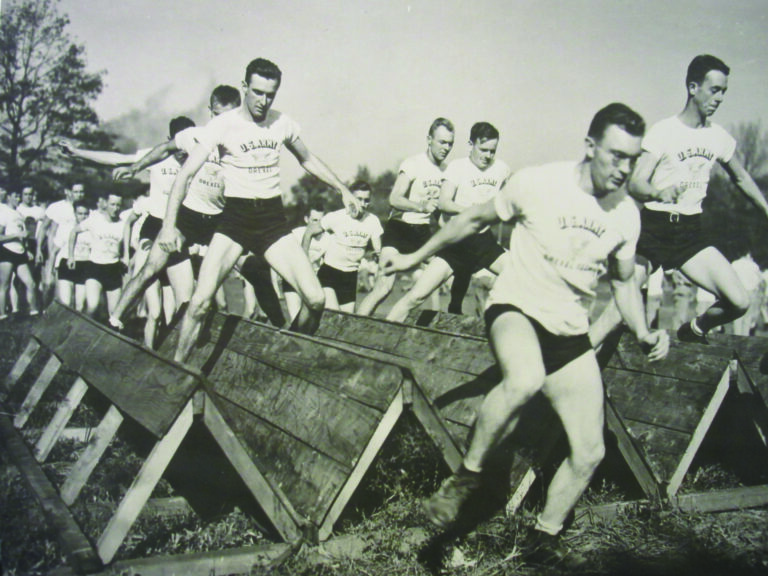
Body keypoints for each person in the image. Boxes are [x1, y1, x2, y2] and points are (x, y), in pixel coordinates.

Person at [382, 103, 669, 565]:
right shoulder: (539, 182)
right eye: (616, 155)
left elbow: (622, 282)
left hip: (567, 332)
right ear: (590, 146)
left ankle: (544, 538)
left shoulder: (626, 215)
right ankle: (464, 479)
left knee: (590, 450)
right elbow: (468, 221)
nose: (624, 169)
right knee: (524, 377)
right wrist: (413, 260)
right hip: (515, 308)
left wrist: (643, 330)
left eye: (633, 159)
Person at [156, 58, 361, 363]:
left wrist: (342, 189)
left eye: (270, 94)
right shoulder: (223, 125)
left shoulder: (282, 123)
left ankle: (286, 358)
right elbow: (185, 174)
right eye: (257, 92)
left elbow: (307, 159)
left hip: (271, 221)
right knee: (200, 302)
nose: (263, 101)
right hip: (235, 220)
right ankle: (172, 373)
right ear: (244, 87)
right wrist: (168, 226)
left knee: (316, 300)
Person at [592, 55, 768, 346]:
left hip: (689, 233)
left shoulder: (719, 137)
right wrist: (657, 192)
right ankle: (565, 370)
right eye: (715, 90)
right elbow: (635, 182)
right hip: (653, 228)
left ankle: (695, 329)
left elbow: (741, 178)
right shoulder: (664, 131)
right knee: (618, 312)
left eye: (724, 91)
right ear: (693, 87)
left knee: (739, 301)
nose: (720, 98)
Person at [385, 122, 510, 323]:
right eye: (483, 150)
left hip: (484, 243)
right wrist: (473, 212)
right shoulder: (457, 167)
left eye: (492, 151)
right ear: (471, 144)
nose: (487, 156)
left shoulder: (502, 169)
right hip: (457, 243)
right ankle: (379, 334)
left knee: (525, 278)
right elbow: (444, 202)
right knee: (416, 296)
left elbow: (506, 201)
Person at [357, 118, 455, 316]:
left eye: (450, 143)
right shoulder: (413, 164)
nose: (446, 148)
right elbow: (394, 199)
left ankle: (414, 319)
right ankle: (352, 327)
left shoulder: (447, 171)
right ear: (429, 140)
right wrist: (420, 207)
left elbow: (438, 211)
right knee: (383, 288)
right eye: (442, 142)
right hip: (400, 228)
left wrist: (453, 230)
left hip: (422, 232)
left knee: (447, 270)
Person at [313, 181, 382, 312]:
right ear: (350, 199)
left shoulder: (373, 220)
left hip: (350, 277)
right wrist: (304, 258)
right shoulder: (337, 216)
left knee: (346, 321)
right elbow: (310, 231)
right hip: (330, 273)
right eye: (359, 199)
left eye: (366, 200)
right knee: (334, 315)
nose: (362, 204)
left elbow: (378, 249)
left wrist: (379, 256)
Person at [68, 192, 127, 318]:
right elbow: (74, 232)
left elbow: (126, 246)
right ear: (105, 204)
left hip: (113, 269)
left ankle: (109, 337)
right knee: (92, 306)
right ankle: (80, 331)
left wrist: (125, 258)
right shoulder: (95, 219)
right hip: (95, 267)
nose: (115, 208)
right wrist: (71, 256)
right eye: (112, 204)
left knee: (115, 314)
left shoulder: (123, 224)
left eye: (118, 205)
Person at [36, 184, 86, 307]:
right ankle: (44, 312)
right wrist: (39, 250)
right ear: (67, 191)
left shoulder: (85, 209)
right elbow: (44, 228)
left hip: (78, 252)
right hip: (57, 250)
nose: (79, 195)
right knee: (49, 284)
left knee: (74, 294)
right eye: (76, 191)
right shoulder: (56, 207)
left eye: (81, 192)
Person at [0, 190, 39, 318]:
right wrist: (16, 235)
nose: (18, 198)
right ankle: (3, 316)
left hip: (20, 251)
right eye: (15, 195)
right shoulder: (3, 212)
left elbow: (23, 235)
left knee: (31, 283)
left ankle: (34, 312)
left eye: (18, 196)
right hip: (7, 251)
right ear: (9, 197)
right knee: (5, 285)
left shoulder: (19, 213)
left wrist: (26, 249)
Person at [56, 200, 91, 311]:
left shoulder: (92, 229)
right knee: (66, 303)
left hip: (84, 265)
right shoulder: (65, 227)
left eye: (85, 214)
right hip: (67, 264)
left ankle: (76, 328)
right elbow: (55, 248)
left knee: (80, 305)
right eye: (80, 214)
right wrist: (53, 266)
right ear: (74, 213)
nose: (83, 217)